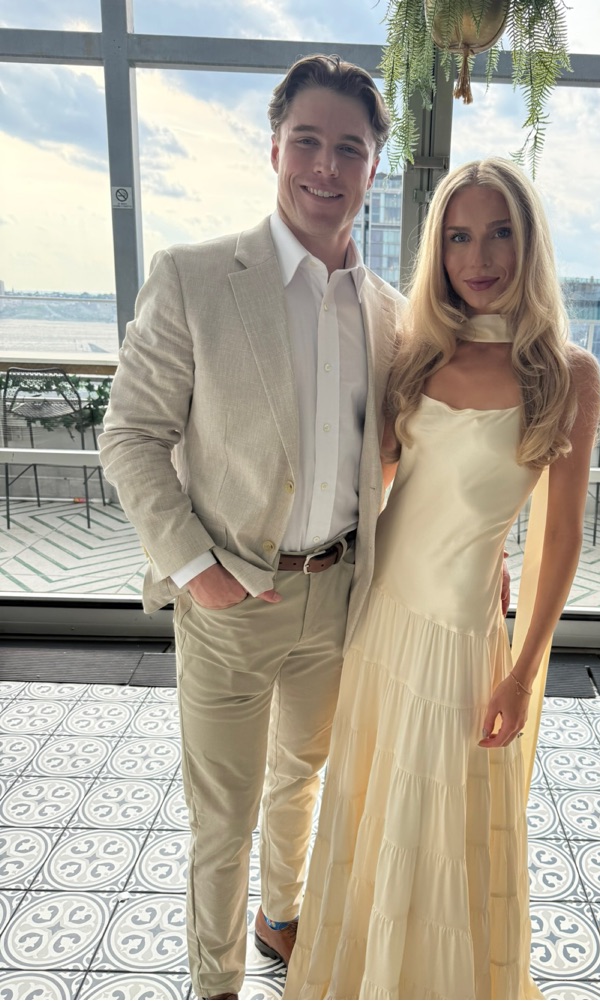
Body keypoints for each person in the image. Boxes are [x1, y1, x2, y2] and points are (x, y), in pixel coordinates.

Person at [99, 55, 406, 1001]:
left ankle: (283, 914)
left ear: (373, 165)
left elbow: (400, 456)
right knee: (221, 815)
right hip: (231, 594)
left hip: (339, 594)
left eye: (348, 148)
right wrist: (196, 569)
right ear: (274, 149)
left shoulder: (391, 314)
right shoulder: (195, 277)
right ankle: (216, 982)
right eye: (306, 140)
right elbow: (130, 435)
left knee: (300, 778)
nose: (325, 165)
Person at [283, 157, 600, 1000]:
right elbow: (381, 480)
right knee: (371, 805)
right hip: (381, 613)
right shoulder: (417, 351)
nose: (478, 257)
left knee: (435, 822)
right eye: (458, 237)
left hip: (459, 635)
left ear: (528, 243)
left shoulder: (566, 373)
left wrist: (522, 671)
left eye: (499, 233)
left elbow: (560, 535)